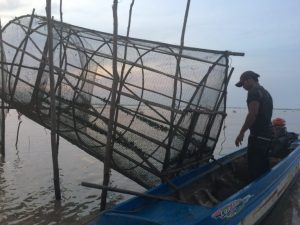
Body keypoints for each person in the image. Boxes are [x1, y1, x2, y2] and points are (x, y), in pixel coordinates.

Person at [235, 71, 273, 180]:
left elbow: (253, 114)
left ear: (250, 79)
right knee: (263, 166)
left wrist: (241, 132)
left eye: (243, 83)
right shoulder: (265, 92)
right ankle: (266, 187)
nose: (243, 87)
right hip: (266, 136)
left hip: (258, 137)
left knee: (255, 169)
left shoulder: (253, 92)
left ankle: (255, 194)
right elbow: (265, 114)